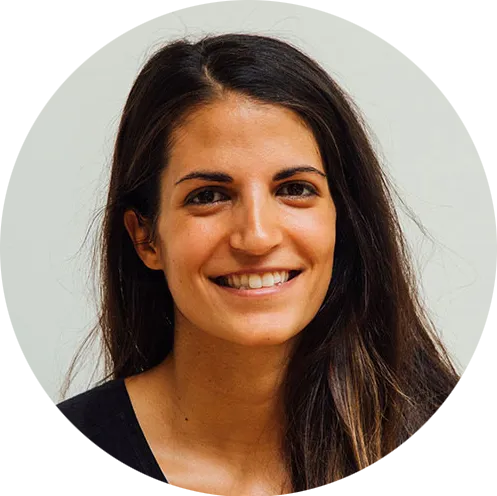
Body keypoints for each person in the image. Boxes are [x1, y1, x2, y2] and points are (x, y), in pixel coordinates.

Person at [56, 33, 462, 494]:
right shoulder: (57, 468)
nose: (257, 236)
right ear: (145, 237)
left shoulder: (458, 457)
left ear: (342, 219)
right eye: (208, 196)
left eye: (294, 189)